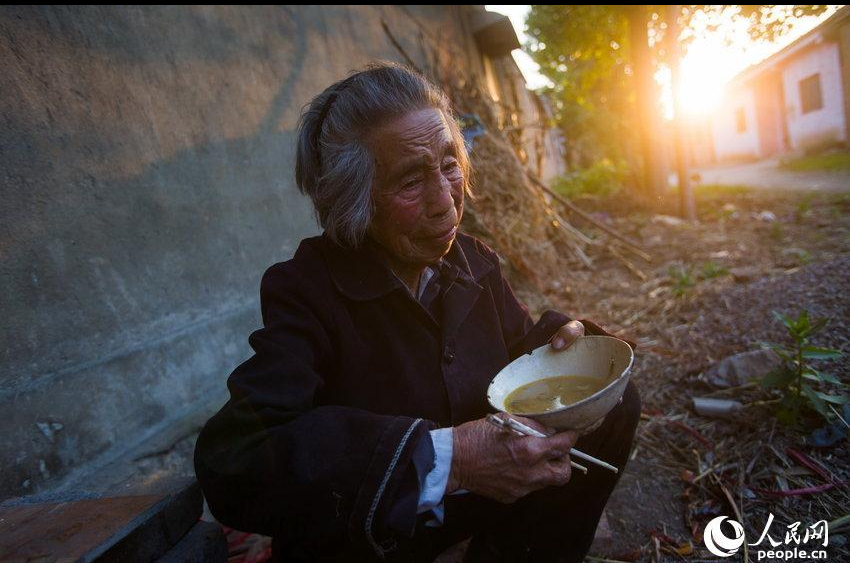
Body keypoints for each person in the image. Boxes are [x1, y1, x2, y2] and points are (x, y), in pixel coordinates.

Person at [194, 62, 640, 563]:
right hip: (382, 540)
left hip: (477, 514)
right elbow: (235, 459)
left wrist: (563, 347)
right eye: (410, 182)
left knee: (615, 404)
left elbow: (516, 353)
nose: (445, 203)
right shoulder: (307, 291)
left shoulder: (471, 260)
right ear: (353, 199)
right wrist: (451, 460)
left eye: (450, 164)